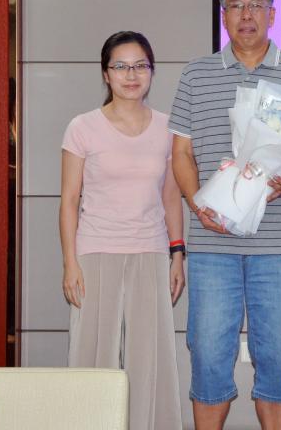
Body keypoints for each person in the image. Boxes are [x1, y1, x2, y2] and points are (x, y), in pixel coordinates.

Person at [169, 0, 281, 430]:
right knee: (208, 354)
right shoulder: (196, 74)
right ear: (224, 16)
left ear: (272, 14)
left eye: (256, 5)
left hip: (277, 244)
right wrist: (197, 206)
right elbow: (181, 152)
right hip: (212, 242)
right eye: (235, 5)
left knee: (276, 357)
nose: (246, 14)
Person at [59, 31, 184, 430]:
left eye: (140, 66)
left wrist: (177, 254)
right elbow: (69, 200)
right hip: (95, 252)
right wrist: (70, 263)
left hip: (150, 251)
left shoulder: (168, 128)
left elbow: (171, 197)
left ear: (152, 71)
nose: (131, 75)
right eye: (121, 66)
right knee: (93, 356)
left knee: (151, 358)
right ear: (106, 74)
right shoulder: (82, 127)